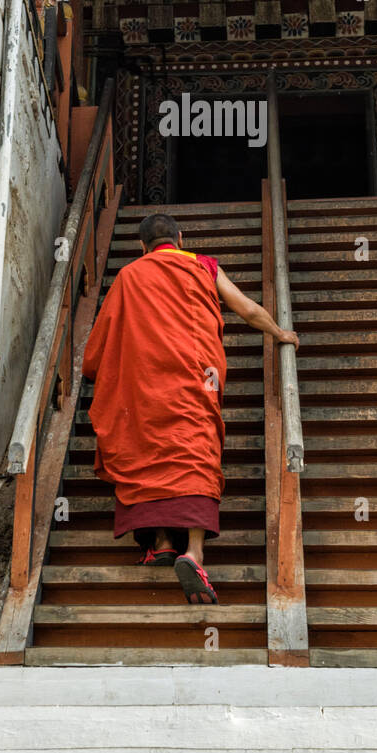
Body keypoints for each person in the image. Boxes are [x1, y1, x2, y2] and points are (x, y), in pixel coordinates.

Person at [81, 212, 299, 605]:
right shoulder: (203, 266)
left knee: (145, 450)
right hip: (196, 381)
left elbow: (102, 337)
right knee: (195, 453)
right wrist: (280, 333)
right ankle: (193, 553)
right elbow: (247, 309)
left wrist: (100, 369)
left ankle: (162, 542)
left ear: (141, 246)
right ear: (180, 238)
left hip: (145, 387)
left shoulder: (129, 275)